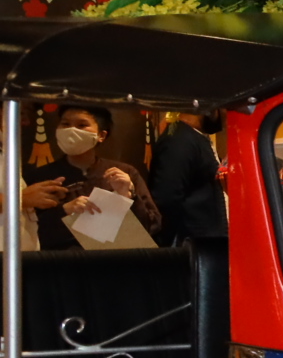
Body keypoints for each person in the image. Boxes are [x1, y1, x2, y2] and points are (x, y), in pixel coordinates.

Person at [22, 104, 162, 249]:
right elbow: (30, 231)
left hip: (114, 263)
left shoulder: (125, 172)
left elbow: (152, 226)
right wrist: (64, 211)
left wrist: (129, 196)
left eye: (82, 125)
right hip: (61, 264)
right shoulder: (41, 177)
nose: (72, 130)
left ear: (101, 135)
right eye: (65, 124)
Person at [147, 112, 228, 245]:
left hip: (205, 244)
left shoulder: (194, 137)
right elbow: (166, 200)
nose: (226, 115)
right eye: (223, 108)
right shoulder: (178, 140)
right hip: (191, 247)